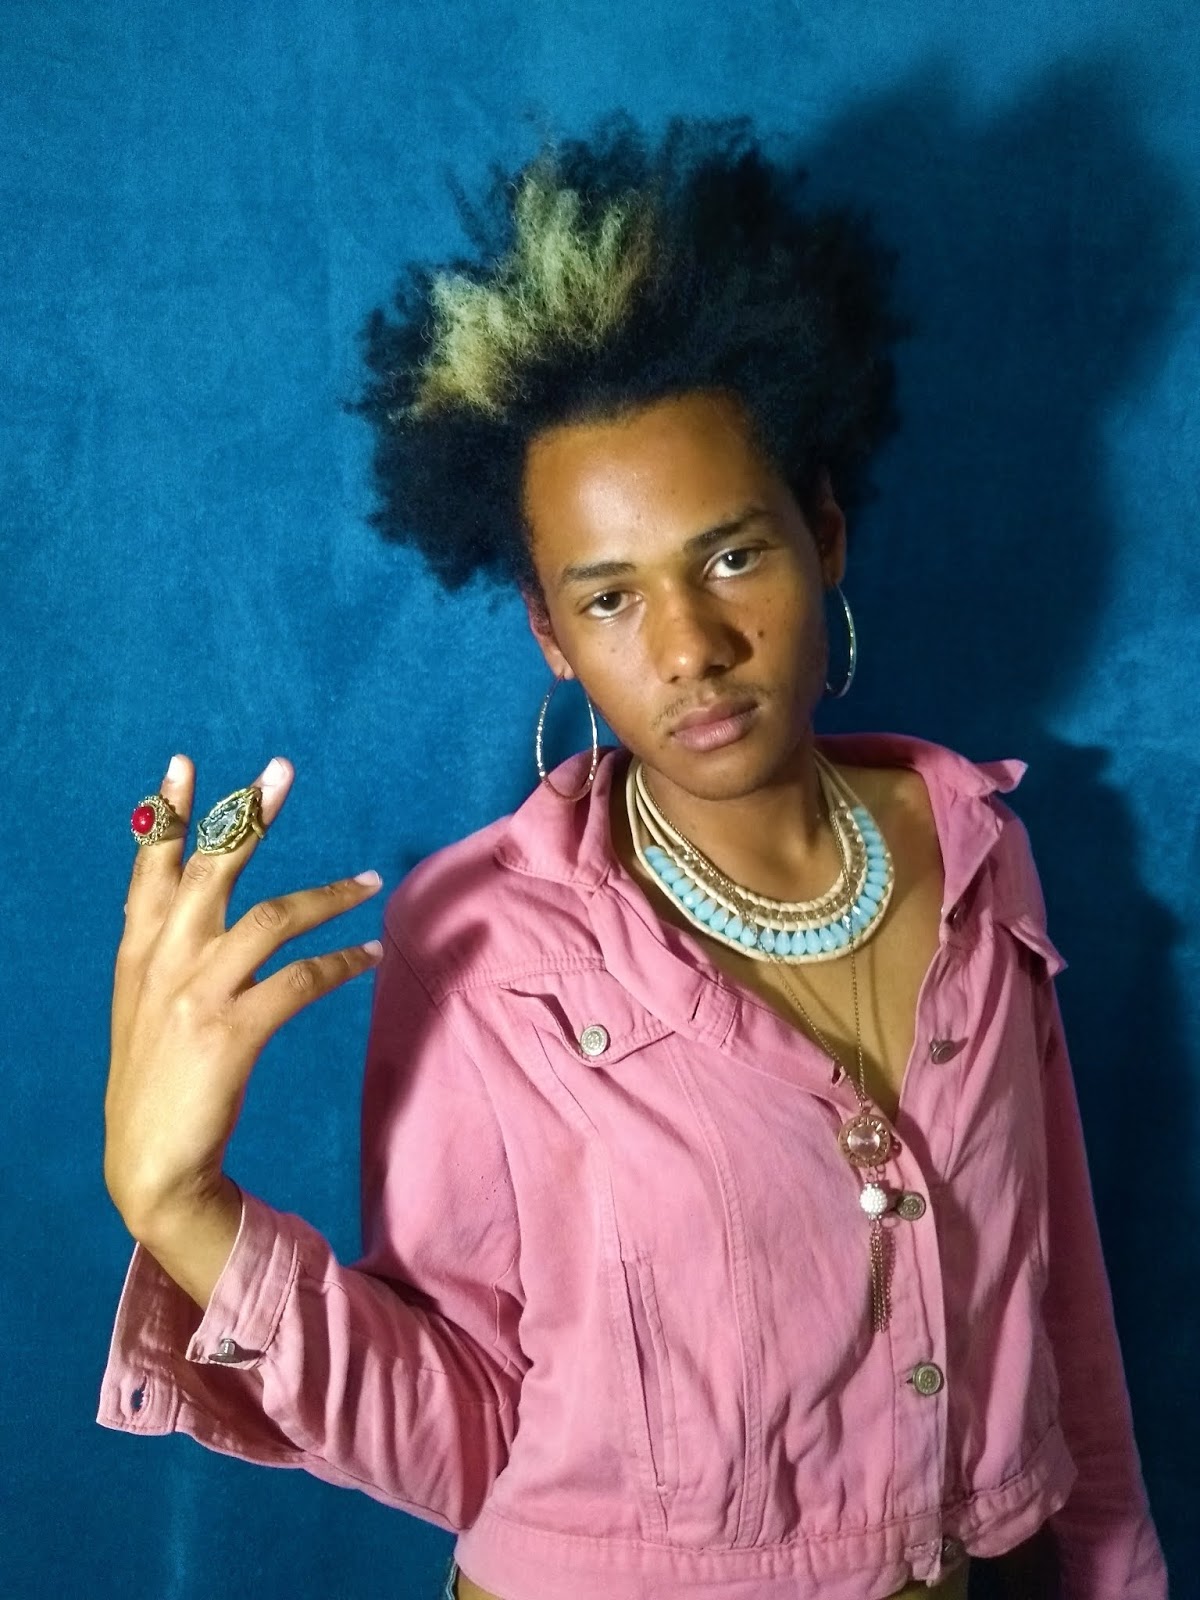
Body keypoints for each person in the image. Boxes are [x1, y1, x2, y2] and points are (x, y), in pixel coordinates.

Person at [98, 115, 1167, 1600]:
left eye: (733, 554)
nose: (691, 647)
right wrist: (179, 1207)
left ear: (825, 534)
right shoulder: (483, 946)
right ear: (550, 631)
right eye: (609, 598)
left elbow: (1067, 1322)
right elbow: (471, 1435)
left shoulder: (982, 850)